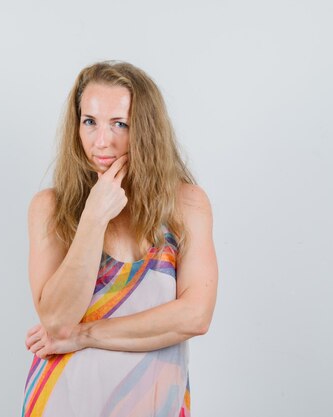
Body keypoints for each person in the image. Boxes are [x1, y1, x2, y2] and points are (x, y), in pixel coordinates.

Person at [21, 60, 218, 417]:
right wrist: (94, 218)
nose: (101, 141)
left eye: (120, 124)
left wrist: (84, 335)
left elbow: (195, 316)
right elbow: (58, 320)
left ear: (146, 129)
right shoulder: (50, 208)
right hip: (63, 400)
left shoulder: (186, 205)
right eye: (90, 122)